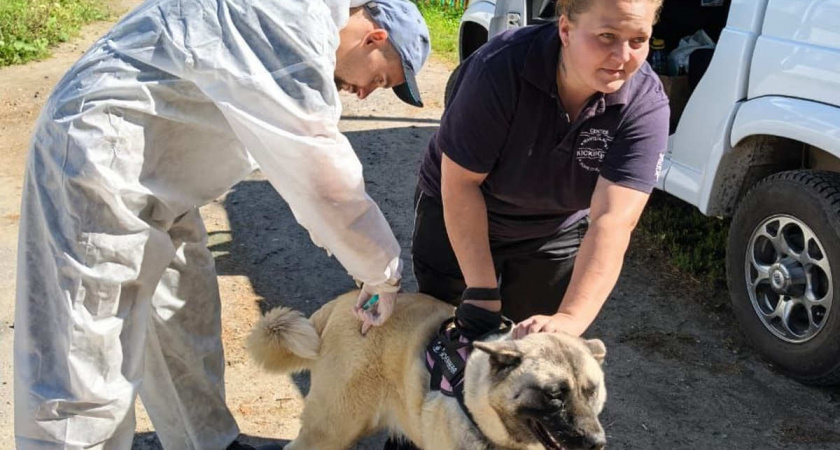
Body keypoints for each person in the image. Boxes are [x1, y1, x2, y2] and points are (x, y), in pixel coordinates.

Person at [13, 0, 430, 447]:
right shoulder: (290, 18)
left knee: (182, 321)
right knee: (85, 351)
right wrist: (381, 273)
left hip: (159, 178)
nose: (364, 93)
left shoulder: (303, 23)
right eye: (380, 79)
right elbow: (321, 177)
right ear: (374, 38)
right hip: (99, 169)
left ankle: (206, 442)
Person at [388, 0, 667, 446]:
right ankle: (406, 436)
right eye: (607, 37)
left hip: (552, 228)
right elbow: (461, 187)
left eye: (638, 41)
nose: (622, 57)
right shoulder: (500, 69)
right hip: (461, 206)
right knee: (438, 344)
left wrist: (572, 318)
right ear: (565, 29)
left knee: (528, 357)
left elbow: (614, 220)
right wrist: (479, 291)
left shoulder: (644, 104)